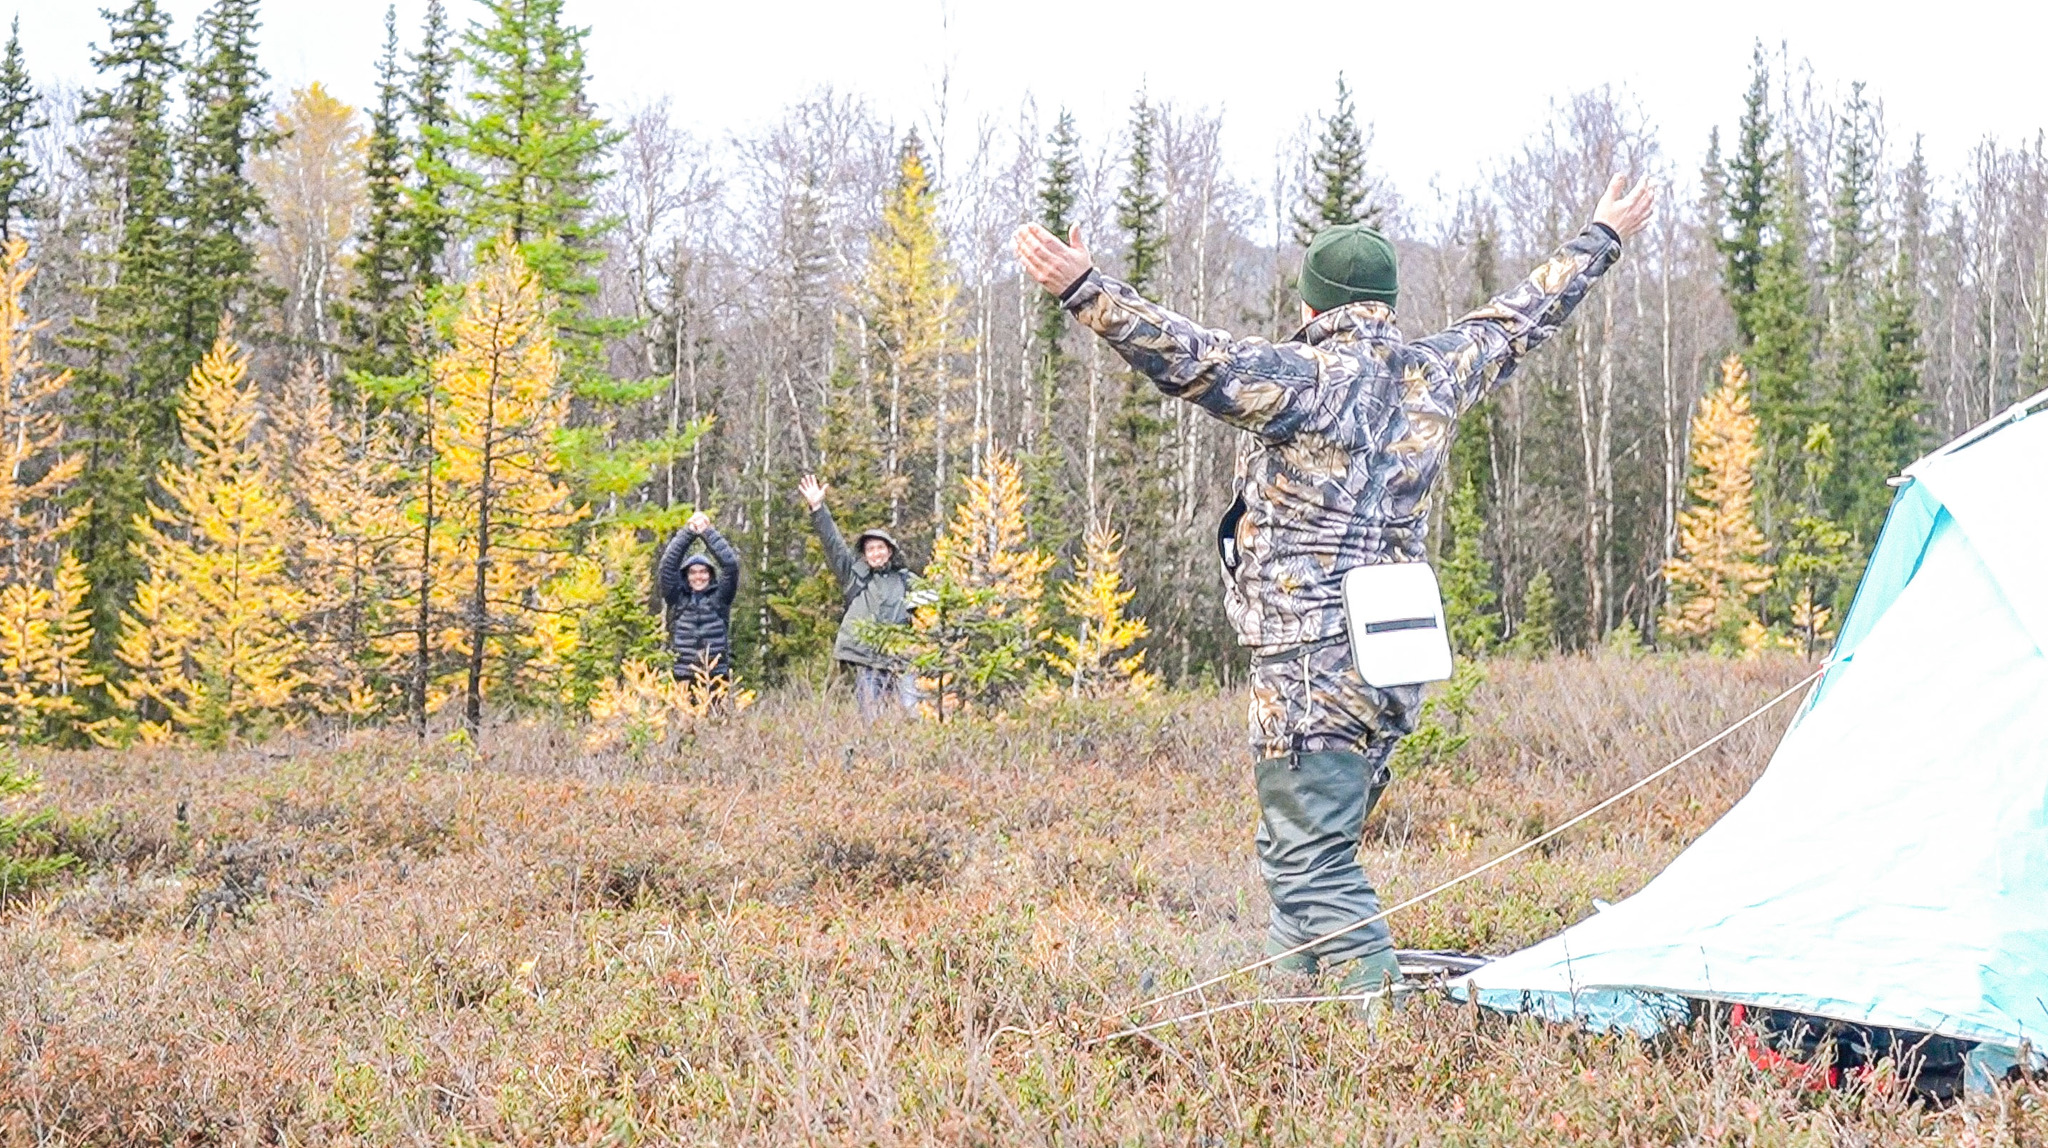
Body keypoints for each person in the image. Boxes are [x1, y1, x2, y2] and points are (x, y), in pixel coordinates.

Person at [1014, 175, 1657, 998]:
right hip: (1393, 660)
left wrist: (1083, 289)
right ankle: (1292, 1025)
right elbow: (1520, 316)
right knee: (1303, 850)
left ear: (1313, 306)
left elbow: (1189, 356)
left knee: (1312, 863)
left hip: (1310, 657)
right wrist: (1599, 235)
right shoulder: (1438, 369)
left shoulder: (1309, 378)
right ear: (1386, 300)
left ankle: (1378, 1046)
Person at [797, 474, 920, 718]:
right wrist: (817, 508)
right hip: (867, 661)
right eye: (870, 549)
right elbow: (832, 543)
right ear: (864, 553)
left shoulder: (907, 580)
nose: (875, 553)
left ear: (890, 551)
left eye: (880, 548)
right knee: (871, 719)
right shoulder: (854, 574)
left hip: (901, 660)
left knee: (912, 715)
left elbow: (936, 606)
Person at [657, 511, 741, 684]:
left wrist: (707, 531)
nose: (698, 577)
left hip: (716, 676)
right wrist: (688, 533)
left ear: (710, 575)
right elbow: (667, 566)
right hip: (683, 676)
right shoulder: (677, 599)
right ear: (686, 576)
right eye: (693, 572)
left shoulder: (720, 598)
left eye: (703, 572)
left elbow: (730, 566)